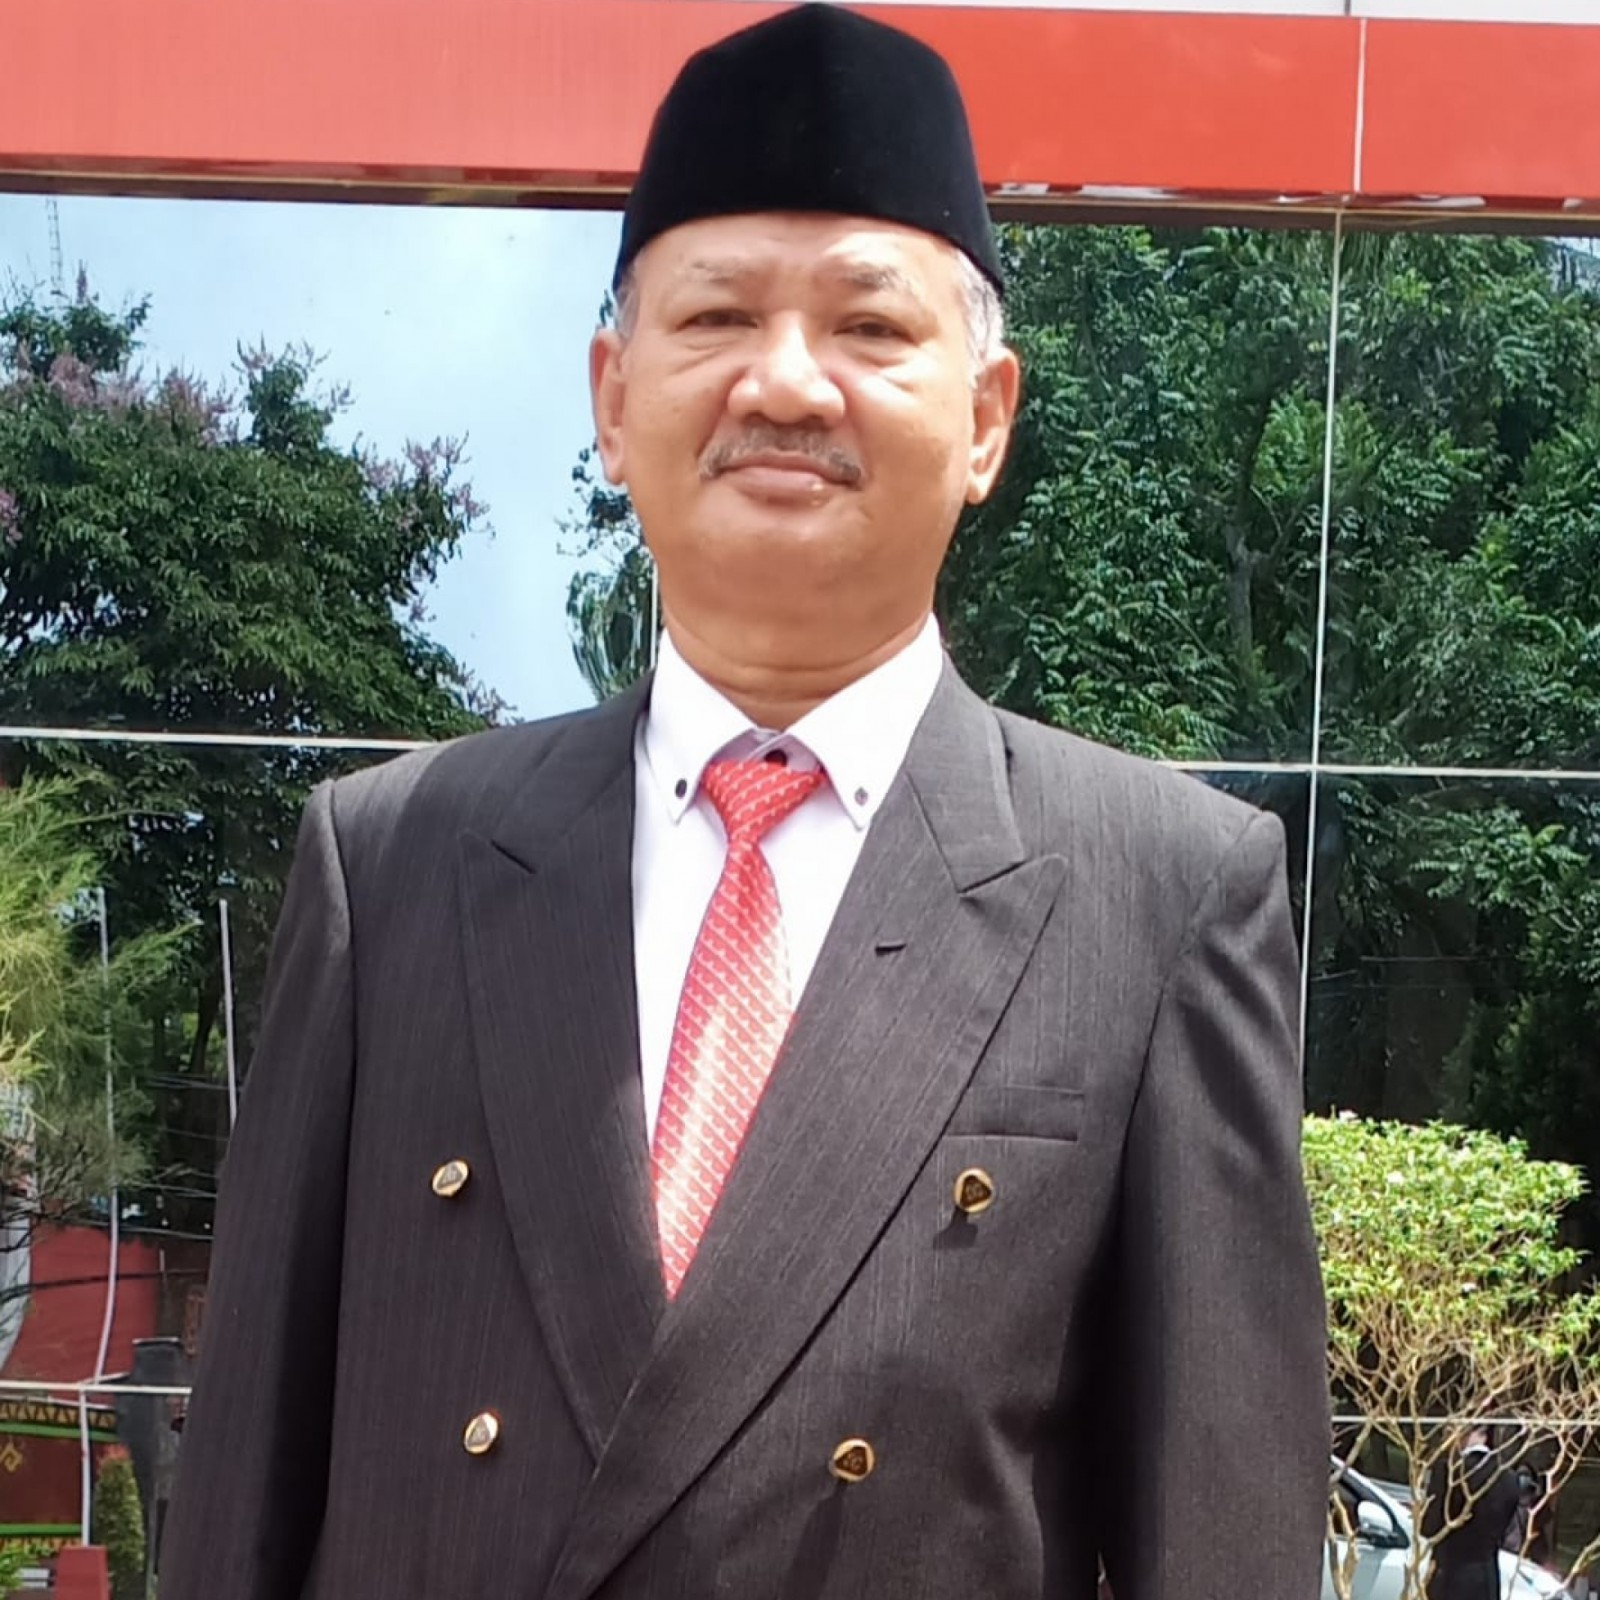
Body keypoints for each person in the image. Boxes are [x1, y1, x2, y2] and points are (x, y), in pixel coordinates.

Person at [158, 7, 1330, 1598]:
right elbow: (237, 1510)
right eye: (716, 316)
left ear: (985, 418)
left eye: (868, 325)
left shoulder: (1161, 892)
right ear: (611, 398)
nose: (785, 383)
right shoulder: (393, 864)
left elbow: (1228, 1545)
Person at [1423, 1427, 1523, 1600]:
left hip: (1449, 1576)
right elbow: (1505, 1528)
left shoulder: (1448, 1472)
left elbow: (1430, 1527)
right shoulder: (1509, 1479)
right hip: (1487, 1579)